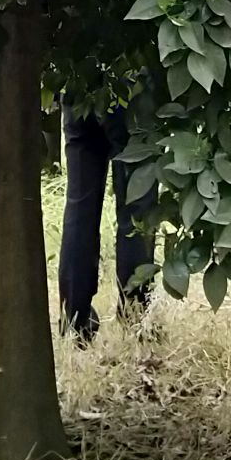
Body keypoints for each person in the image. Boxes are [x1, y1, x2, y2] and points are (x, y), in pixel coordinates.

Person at [57, 97, 157, 340]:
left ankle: (73, 319)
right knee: (137, 210)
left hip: (78, 83)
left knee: (79, 207)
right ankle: (136, 318)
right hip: (131, 89)